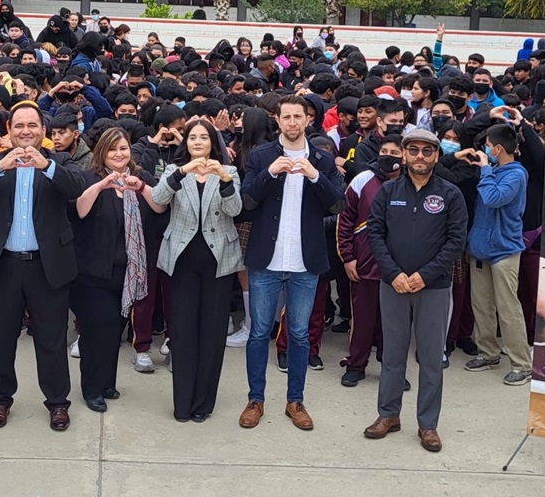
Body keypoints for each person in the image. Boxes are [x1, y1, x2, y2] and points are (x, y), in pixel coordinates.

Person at [0, 102, 84, 431]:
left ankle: (57, 402)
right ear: (9, 130)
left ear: (43, 132)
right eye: (19, 126)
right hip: (3, 267)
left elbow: (78, 187)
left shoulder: (59, 161)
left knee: (51, 339)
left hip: (48, 266)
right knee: (2, 338)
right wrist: (0, 166)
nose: (26, 131)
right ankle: (0, 400)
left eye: (32, 125)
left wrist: (47, 166)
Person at [239, 95, 342, 432]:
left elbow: (337, 205)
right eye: (287, 117)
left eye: (299, 116)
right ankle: (256, 399)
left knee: (299, 335)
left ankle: (295, 401)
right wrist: (270, 173)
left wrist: (315, 176)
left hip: (305, 260)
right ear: (278, 120)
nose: (293, 122)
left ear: (308, 120)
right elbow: (246, 203)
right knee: (258, 333)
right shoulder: (261, 155)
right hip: (266, 260)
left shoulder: (323, 159)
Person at [363, 129, 467, 453]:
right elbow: (375, 234)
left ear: (436, 155)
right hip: (393, 285)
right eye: (414, 151)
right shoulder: (388, 191)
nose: (420, 156)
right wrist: (393, 274)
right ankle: (388, 415)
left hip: (433, 287)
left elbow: (456, 242)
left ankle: (428, 424)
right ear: (404, 155)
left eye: (426, 151)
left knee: (431, 358)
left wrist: (425, 275)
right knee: (392, 355)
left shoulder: (451, 194)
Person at [151, 120, 242, 423]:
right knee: (183, 330)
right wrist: (181, 172)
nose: (199, 142)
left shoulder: (230, 173)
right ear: (186, 142)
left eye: (204, 137)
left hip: (219, 261)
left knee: (212, 333)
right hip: (181, 261)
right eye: (193, 137)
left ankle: (203, 403)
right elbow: (159, 200)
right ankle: (182, 403)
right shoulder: (174, 171)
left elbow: (235, 210)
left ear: (213, 142)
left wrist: (225, 178)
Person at [71, 128, 165, 412]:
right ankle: (92, 389)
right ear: (102, 152)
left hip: (130, 272)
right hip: (93, 272)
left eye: (123, 148)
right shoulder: (88, 178)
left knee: (115, 330)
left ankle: (108, 383)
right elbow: (79, 210)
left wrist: (141, 187)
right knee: (95, 330)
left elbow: (160, 207)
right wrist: (102, 186)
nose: (119, 154)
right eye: (112, 149)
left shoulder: (142, 177)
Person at [463, 124, 532, 387]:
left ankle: (521, 364)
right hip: (480, 248)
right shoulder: (493, 172)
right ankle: (488, 353)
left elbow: (493, 198)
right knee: (481, 305)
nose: (485, 151)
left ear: (498, 148)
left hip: (504, 250)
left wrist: (485, 169)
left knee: (507, 308)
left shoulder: (515, 174)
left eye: (488, 146)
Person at [337, 136, 403, 387]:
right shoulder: (362, 180)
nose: (388, 156)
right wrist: (348, 257)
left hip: (399, 269)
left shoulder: (412, 183)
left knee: (394, 325)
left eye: (394, 152)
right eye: (384, 151)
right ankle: (356, 366)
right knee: (362, 320)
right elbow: (344, 222)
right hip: (363, 265)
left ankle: (392, 370)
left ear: (404, 156)